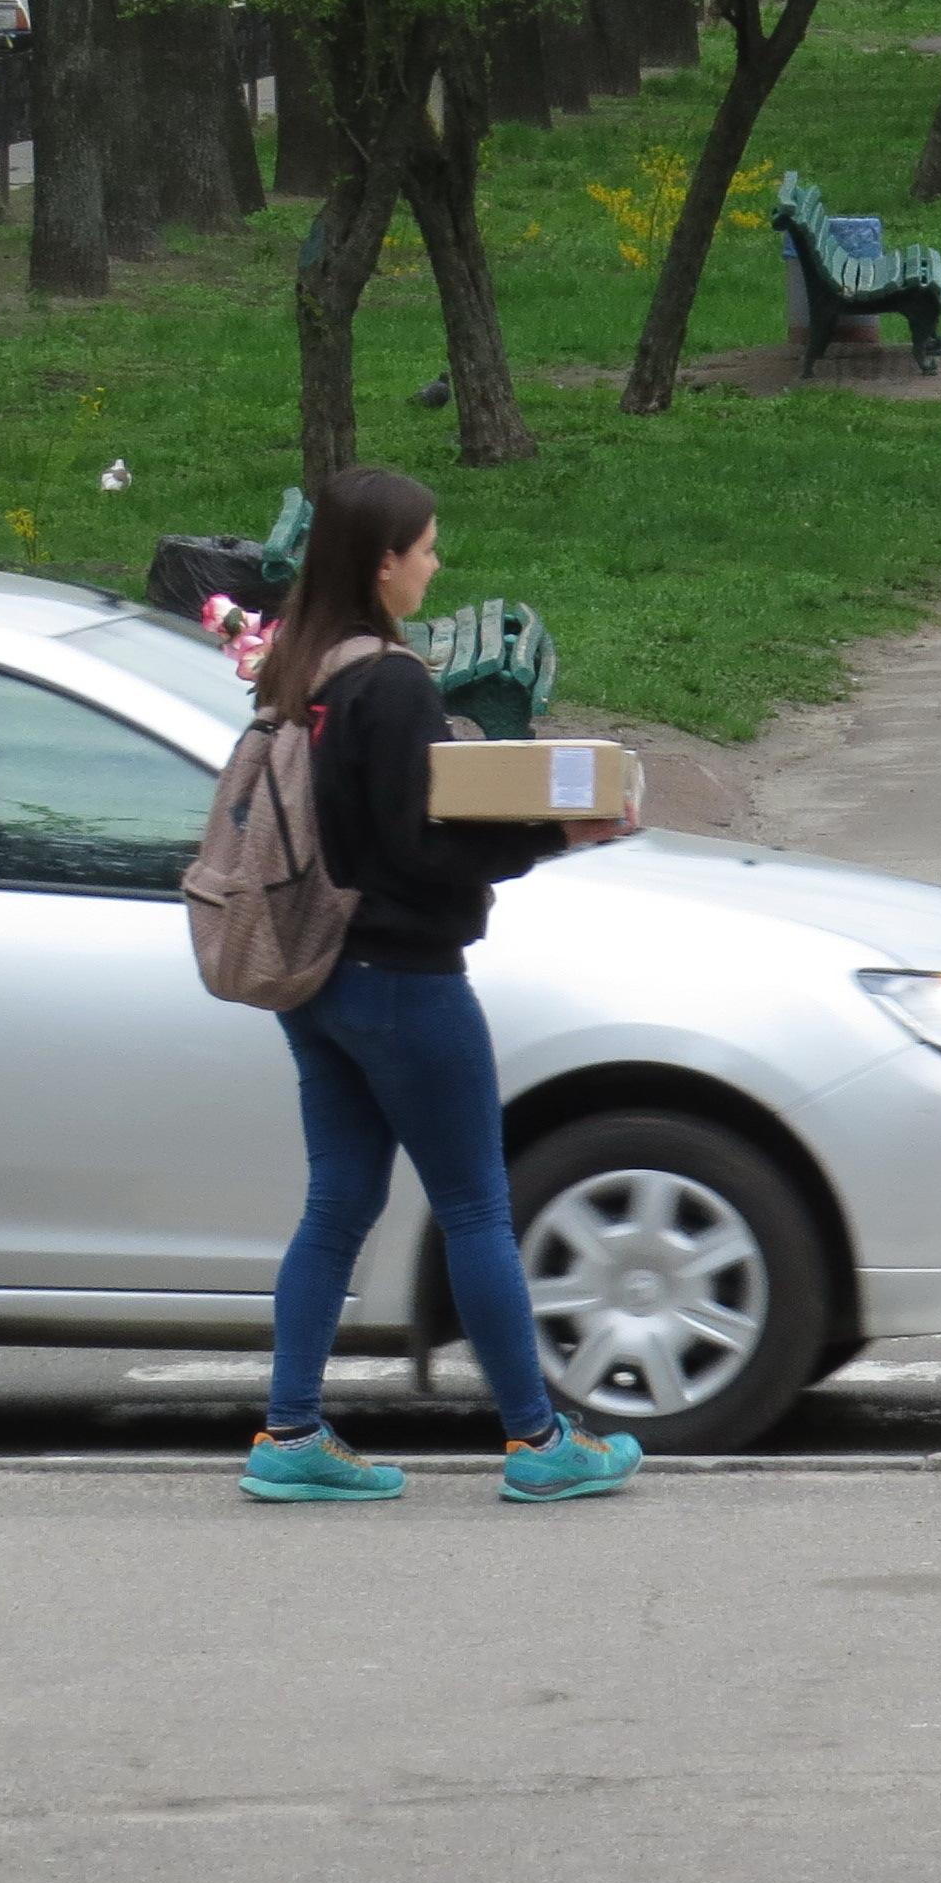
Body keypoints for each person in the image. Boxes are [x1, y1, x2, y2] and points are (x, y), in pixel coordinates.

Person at [239, 468, 643, 1507]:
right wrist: (554, 835)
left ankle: (289, 1432)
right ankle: (539, 1440)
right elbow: (422, 850)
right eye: (425, 547)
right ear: (383, 562)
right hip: (403, 981)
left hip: (316, 974)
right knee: (474, 1206)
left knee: (338, 1205)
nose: (435, 563)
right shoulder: (393, 684)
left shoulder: (299, 671)